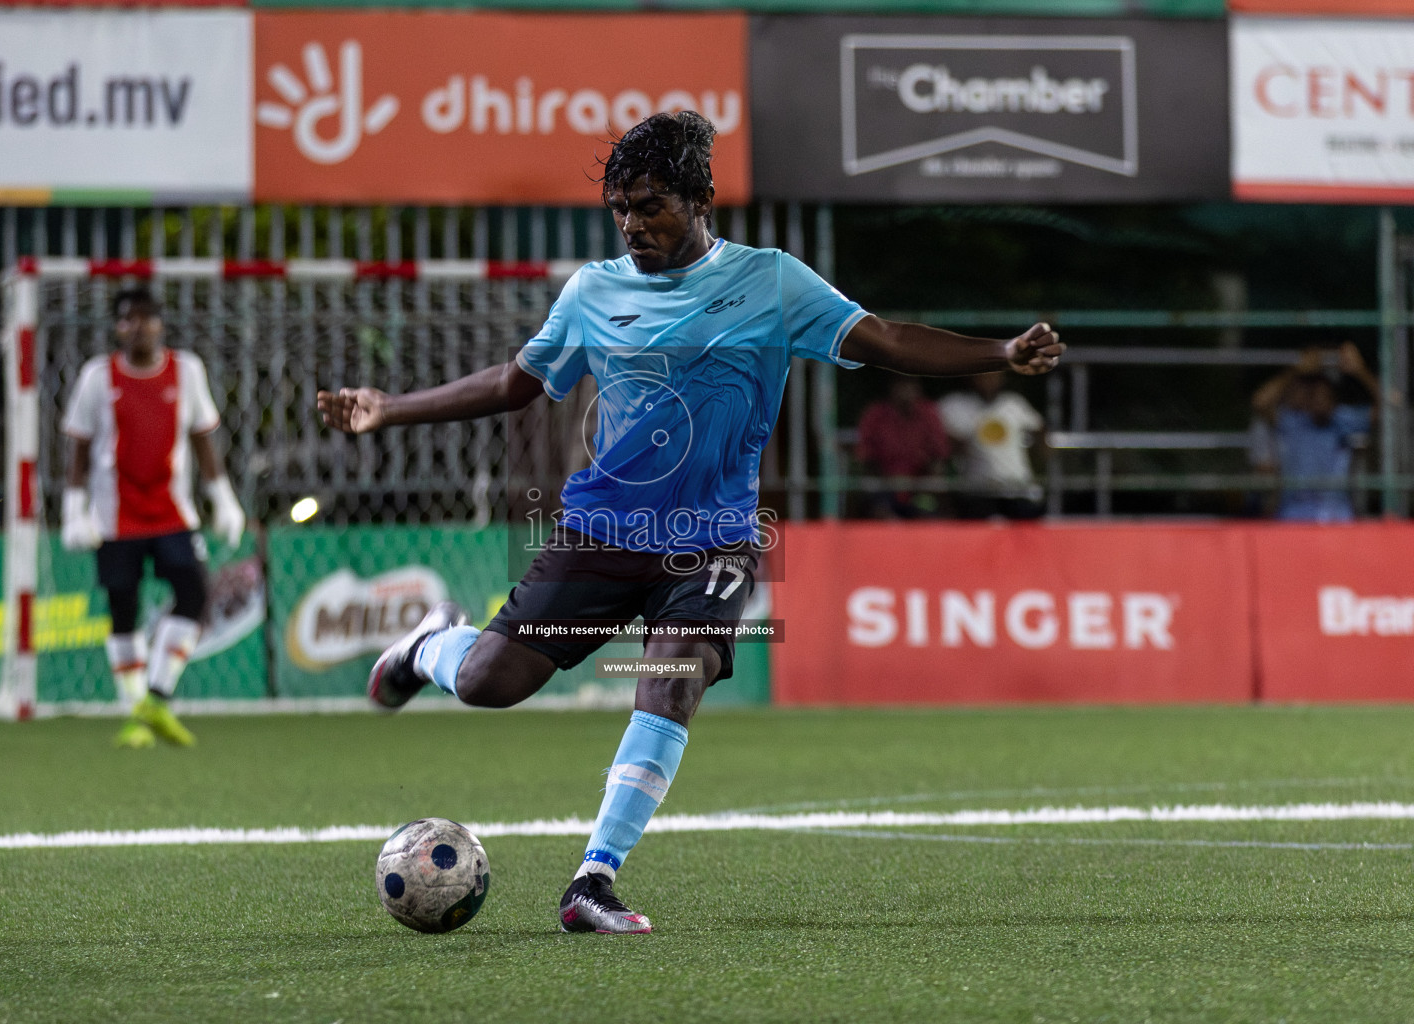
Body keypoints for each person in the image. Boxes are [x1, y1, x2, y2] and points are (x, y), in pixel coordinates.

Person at [318, 111, 1063, 934]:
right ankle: (430, 643)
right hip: (602, 530)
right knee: (492, 683)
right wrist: (388, 409)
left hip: (713, 539)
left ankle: (592, 881)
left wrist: (1000, 353)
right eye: (622, 209)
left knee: (674, 677)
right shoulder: (594, 290)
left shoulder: (773, 281)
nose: (634, 224)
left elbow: (883, 339)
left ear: (701, 200)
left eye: (652, 205)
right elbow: (515, 383)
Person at [60, 286, 246, 749]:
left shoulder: (187, 371)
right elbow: (79, 449)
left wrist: (223, 498)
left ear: (160, 324)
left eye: (146, 317)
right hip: (114, 517)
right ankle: (136, 715)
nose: (137, 326)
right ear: (117, 327)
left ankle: (155, 697)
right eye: (127, 318)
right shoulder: (97, 377)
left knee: (194, 593)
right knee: (122, 608)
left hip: (171, 513)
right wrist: (73, 509)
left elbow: (204, 439)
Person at [1251, 342, 1379, 523]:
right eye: (1315, 396)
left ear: (1334, 400)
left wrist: (1360, 371)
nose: (1320, 401)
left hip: (1336, 514)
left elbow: (1386, 407)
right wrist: (1295, 371)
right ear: (1307, 401)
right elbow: (1260, 403)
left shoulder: (1342, 421)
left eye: (1325, 396)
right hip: (1294, 513)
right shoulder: (1294, 422)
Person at [938, 371, 1047, 519]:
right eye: (984, 376)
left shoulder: (1013, 403)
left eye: (994, 376)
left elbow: (1039, 430)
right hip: (978, 491)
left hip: (1017, 489)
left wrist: (1037, 457)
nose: (988, 381)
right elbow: (943, 444)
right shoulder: (955, 405)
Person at [854, 375, 951, 518]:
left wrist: (923, 483)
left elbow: (939, 457)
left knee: (927, 512)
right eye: (901, 384)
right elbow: (866, 458)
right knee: (881, 514)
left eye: (911, 384)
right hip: (884, 488)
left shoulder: (929, 413)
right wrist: (889, 482)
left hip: (920, 489)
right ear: (892, 387)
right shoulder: (875, 415)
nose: (906, 390)